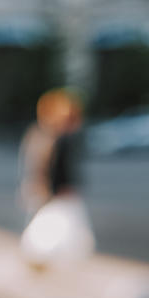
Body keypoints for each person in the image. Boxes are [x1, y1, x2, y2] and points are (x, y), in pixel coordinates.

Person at [18, 88, 95, 267]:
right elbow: (54, 168)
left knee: (50, 223)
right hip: (56, 191)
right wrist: (59, 188)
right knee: (53, 224)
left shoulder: (42, 135)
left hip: (48, 190)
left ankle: (40, 254)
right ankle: (40, 254)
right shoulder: (57, 139)